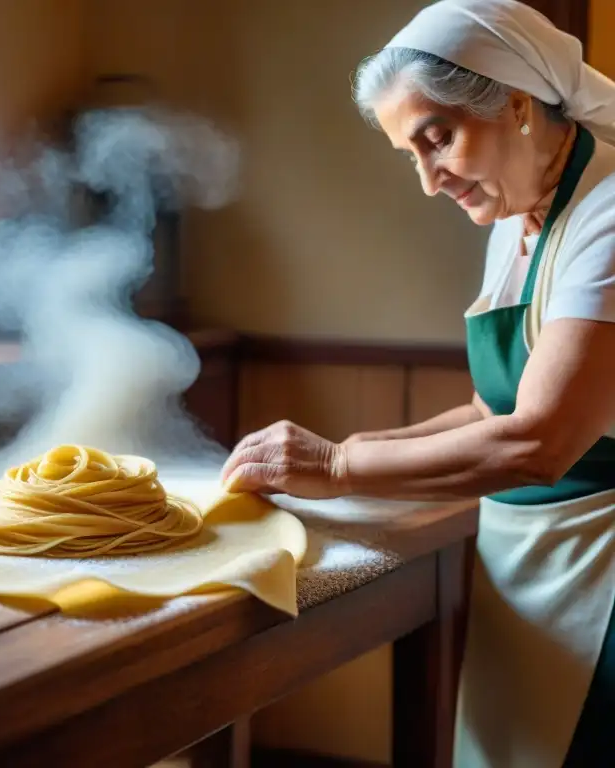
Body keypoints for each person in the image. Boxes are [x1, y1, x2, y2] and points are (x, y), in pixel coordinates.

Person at [219, 1, 615, 766]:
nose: (432, 180)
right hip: (529, 571)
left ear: (515, 103)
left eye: (440, 139)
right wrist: (353, 447)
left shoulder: (608, 213)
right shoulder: (517, 216)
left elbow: (537, 441)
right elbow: (489, 409)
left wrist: (338, 469)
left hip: (600, 574)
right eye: (412, 153)